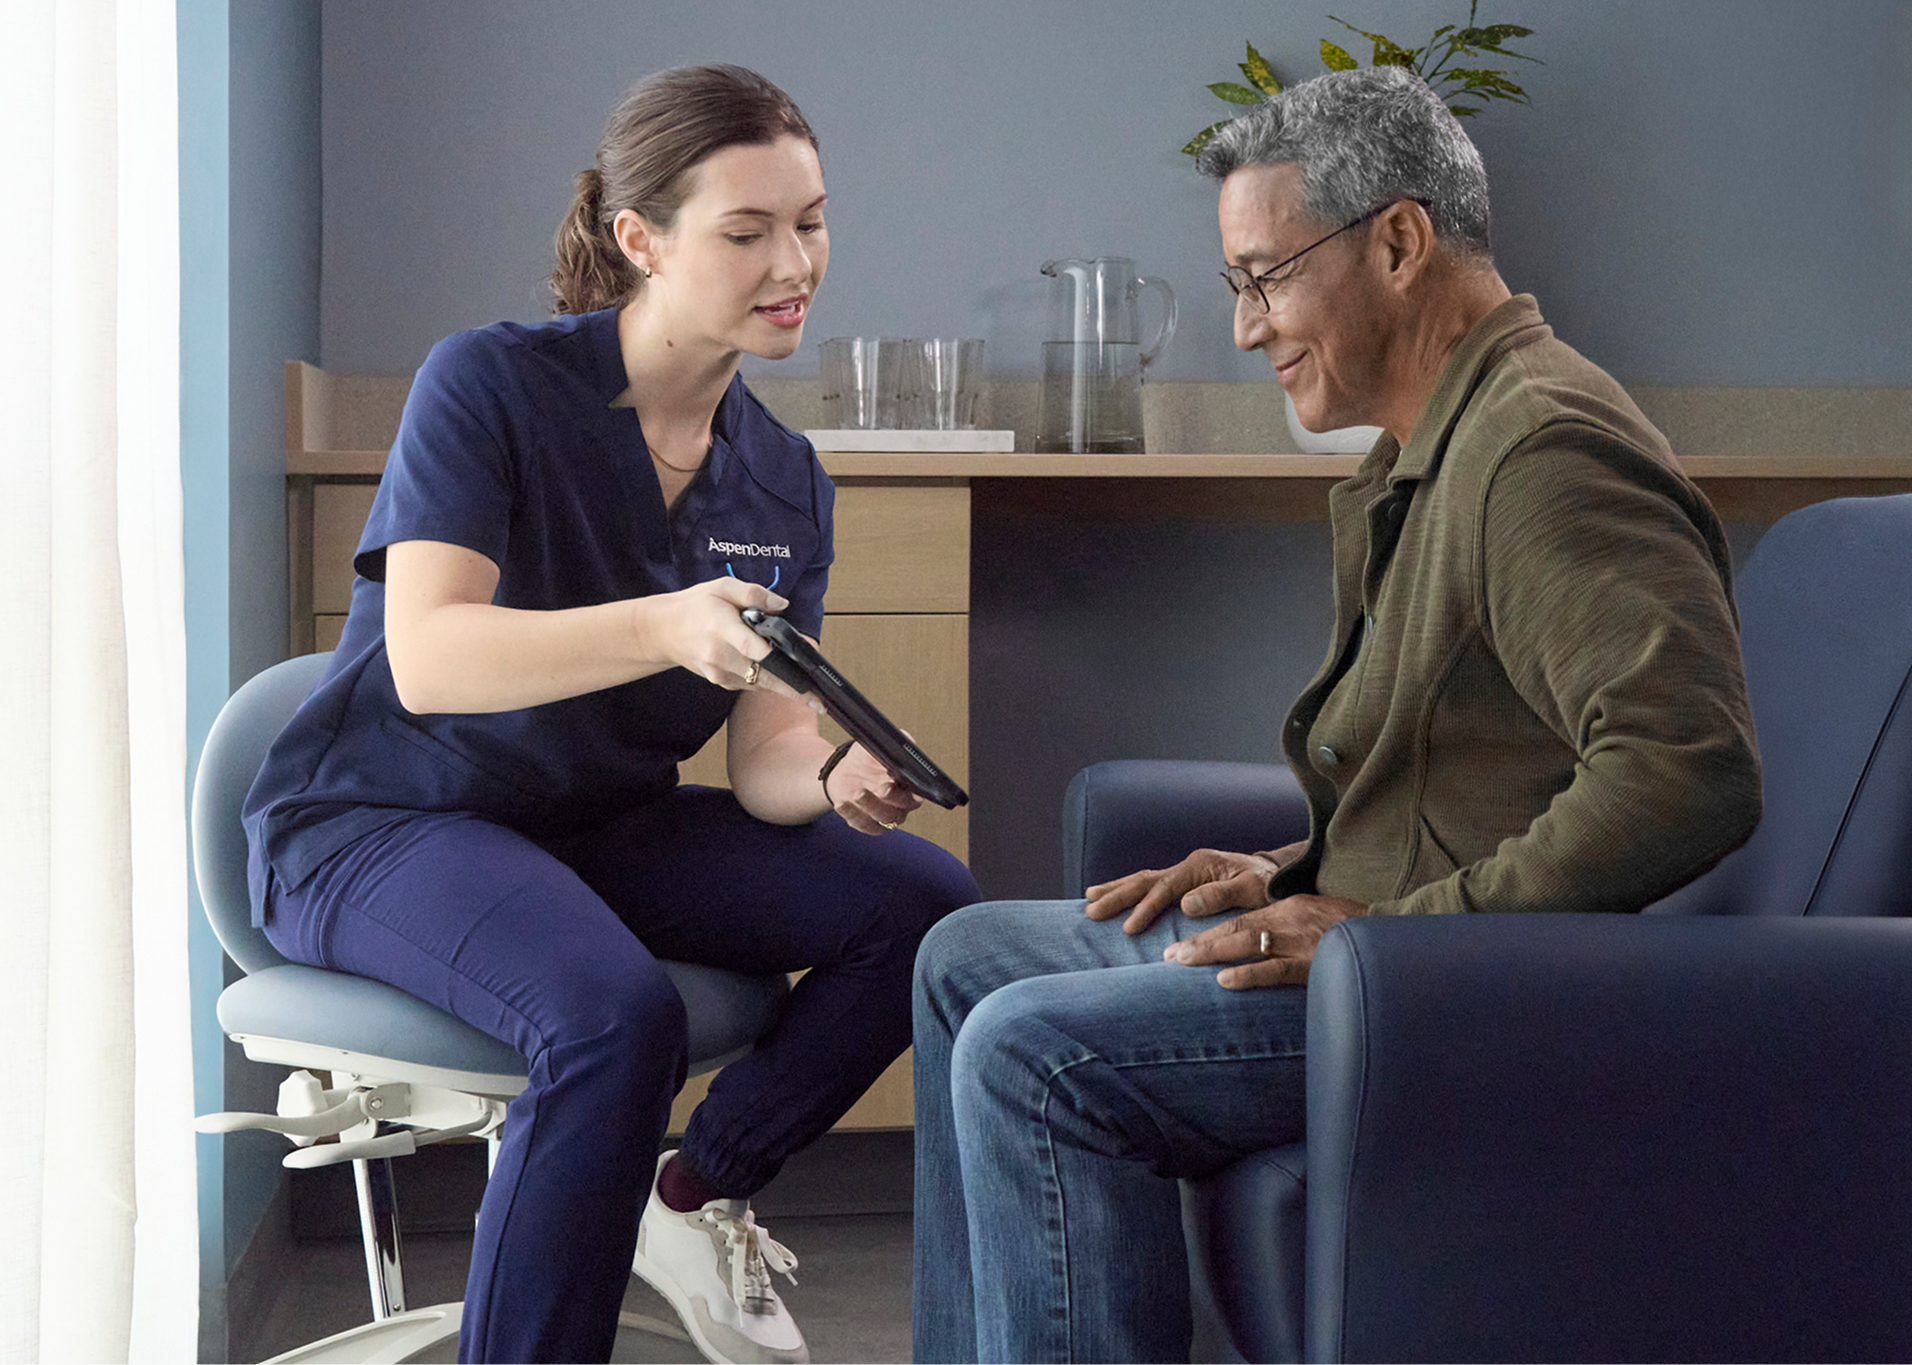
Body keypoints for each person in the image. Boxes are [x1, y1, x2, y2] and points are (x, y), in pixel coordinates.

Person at [910, 65, 1764, 1365]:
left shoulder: (1540, 450)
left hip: (1462, 999)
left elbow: (1686, 769)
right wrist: (1288, 871)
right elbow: (1473, 775)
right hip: (1396, 960)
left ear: (1401, 243)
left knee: (1037, 1055)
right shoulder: (1438, 442)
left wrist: (1392, 936)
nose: (1247, 329)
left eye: (1266, 276)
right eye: (1236, 286)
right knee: (963, 957)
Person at [242, 64, 978, 1365]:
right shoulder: (491, 388)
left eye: (809, 220)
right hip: (375, 824)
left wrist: (839, 772)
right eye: (745, 231)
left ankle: (692, 1193)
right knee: (615, 1016)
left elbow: (765, 767)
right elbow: (427, 660)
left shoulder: (784, 477)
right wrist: (662, 621)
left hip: (592, 827)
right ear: (640, 239)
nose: (792, 259)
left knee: (923, 908)